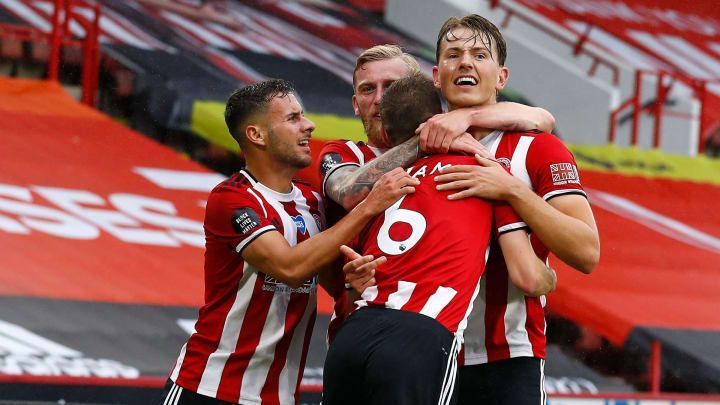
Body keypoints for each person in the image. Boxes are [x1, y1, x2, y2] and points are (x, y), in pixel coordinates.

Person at [330, 16, 600, 405]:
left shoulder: (538, 148)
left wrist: (513, 190)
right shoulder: (414, 150)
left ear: (501, 77)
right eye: (454, 55)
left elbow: (587, 252)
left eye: (479, 55)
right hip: (429, 349)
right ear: (437, 76)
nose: (466, 63)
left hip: (507, 356)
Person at [159, 79, 416, 405]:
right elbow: (290, 267)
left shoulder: (312, 202)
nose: (309, 125)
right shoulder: (232, 199)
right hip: (210, 388)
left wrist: (353, 286)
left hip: (280, 397)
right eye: (293, 118)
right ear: (257, 135)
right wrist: (368, 206)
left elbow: (337, 289)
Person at [322, 74, 555, 405]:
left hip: (353, 334)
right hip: (421, 335)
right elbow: (528, 276)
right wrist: (551, 276)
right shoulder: (480, 171)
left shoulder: (377, 187)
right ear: (440, 120)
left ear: (387, 134)